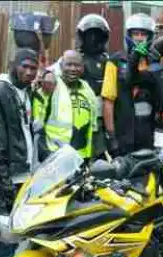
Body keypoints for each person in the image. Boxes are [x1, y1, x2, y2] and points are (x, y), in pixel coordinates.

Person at [0, 48, 39, 257]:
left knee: (21, 221)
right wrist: (3, 175)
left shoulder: (25, 91)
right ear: (12, 65)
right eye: (24, 66)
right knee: (4, 223)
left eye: (33, 68)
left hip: (24, 170)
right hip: (5, 172)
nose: (28, 72)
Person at [48, 14, 111, 159]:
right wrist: (46, 75)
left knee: (99, 157)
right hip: (76, 115)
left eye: (97, 35)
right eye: (89, 35)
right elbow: (52, 71)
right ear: (82, 37)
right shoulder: (74, 58)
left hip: (102, 120)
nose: (93, 39)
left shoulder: (108, 60)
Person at [101, 13, 163, 156]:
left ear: (150, 37)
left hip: (147, 134)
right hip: (123, 133)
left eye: (144, 34)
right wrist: (111, 137)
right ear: (129, 35)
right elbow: (108, 102)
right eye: (136, 33)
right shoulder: (115, 61)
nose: (140, 38)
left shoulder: (154, 61)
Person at [39, 50, 98, 161]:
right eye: (69, 64)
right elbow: (38, 123)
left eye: (77, 65)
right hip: (54, 156)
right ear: (61, 66)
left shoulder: (87, 89)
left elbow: (93, 124)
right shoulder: (51, 86)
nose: (73, 69)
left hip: (81, 156)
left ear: (83, 68)